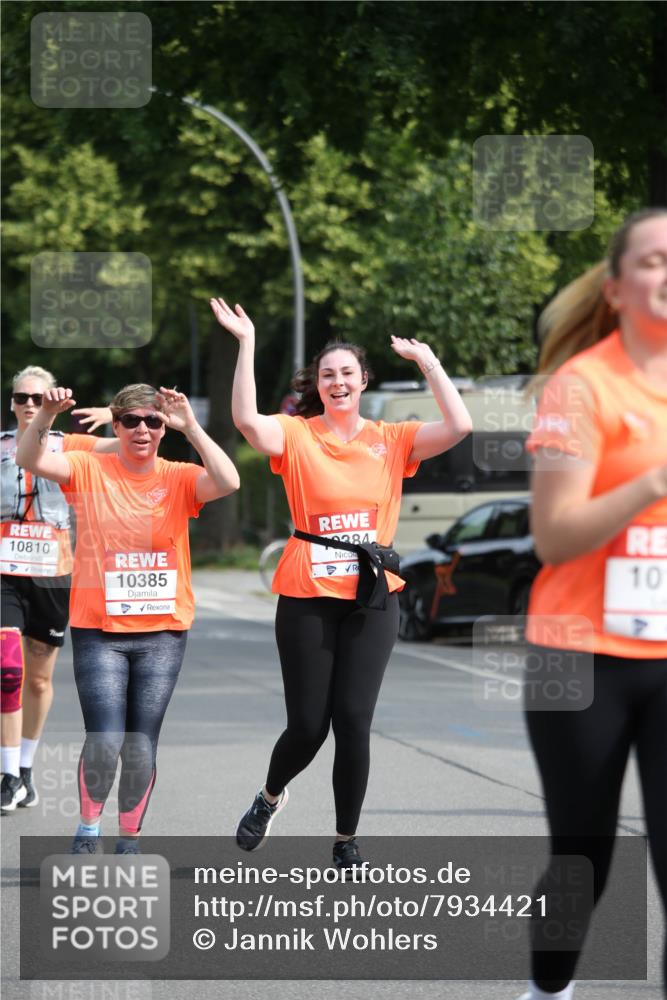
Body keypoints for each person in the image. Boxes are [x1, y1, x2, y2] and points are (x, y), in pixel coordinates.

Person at [210, 295, 473, 869]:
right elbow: (247, 422)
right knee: (309, 726)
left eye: (347, 373)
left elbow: (460, 425)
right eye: (327, 375)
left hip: (373, 595)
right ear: (319, 385)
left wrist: (428, 362)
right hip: (307, 592)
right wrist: (247, 343)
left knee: (354, 721)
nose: (337, 382)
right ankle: (269, 797)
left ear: (362, 381)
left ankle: (345, 838)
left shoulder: (392, 438)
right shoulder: (296, 435)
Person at [519, 209, 667, 1000]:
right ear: (614, 289)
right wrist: (651, 482)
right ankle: (547, 991)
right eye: (652, 260)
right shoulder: (581, 386)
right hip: (577, 657)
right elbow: (553, 536)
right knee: (582, 856)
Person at [16, 382, 240, 853]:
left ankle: (130, 838)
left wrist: (192, 427)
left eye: (152, 421)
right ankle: (88, 828)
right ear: (116, 426)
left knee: (140, 742)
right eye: (132, 421)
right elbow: (30, 459)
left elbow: (228, 481)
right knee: (104, 737)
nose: (142, 429)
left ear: (163, 428)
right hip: (100, 629)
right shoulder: (87, 467)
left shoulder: (179, 476)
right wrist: (47, 416)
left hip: (163, 632)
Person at [1, 365, 115, 814]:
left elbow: (132, 442)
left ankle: (25, 768)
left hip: (53, 573)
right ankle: (7, 774)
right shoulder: (2, 447)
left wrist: (114, 413)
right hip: (5, 573)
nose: (30, 404)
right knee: (8, 669)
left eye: (38, 397)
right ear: (12, 403)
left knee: (39, 677)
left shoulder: (71, 446)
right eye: (21, 398)